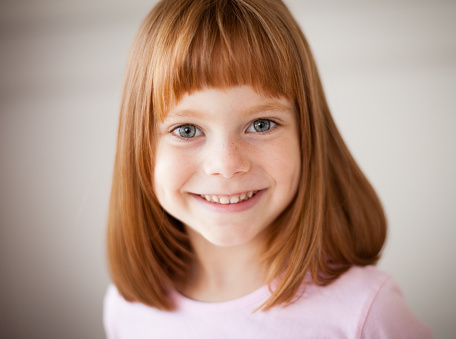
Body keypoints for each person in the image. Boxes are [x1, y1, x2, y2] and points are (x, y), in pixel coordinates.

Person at [103, 0, 433, 337]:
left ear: (307, 135)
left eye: (261, 124)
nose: (227, 165)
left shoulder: (367, 311)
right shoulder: (128, 309)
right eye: (186, 130)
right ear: (140, 149)